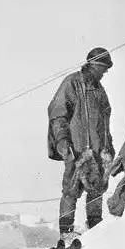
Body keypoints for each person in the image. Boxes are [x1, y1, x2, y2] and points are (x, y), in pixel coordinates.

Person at [47, 47, 115, 239]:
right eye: (103, 68)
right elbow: (57, 114)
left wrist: (108, 145)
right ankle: (66, 233)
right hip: (75, 150)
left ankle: (95, 230)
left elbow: (105, 122)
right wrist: (61, 140)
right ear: (93, 65)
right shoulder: (71, 83)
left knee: (97, 189)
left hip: (97, 151)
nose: (105, 72)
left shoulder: (99, 90)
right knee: (71, 190)